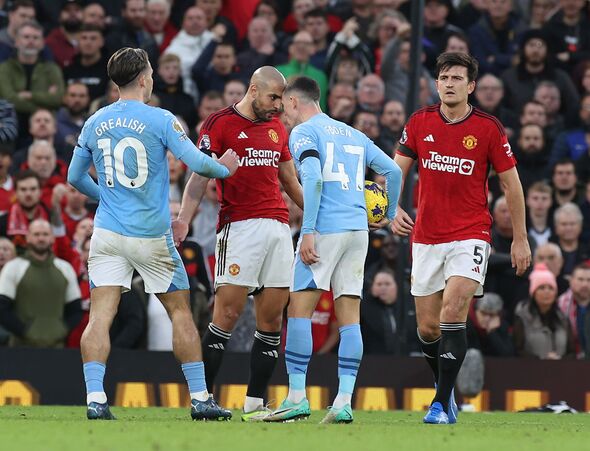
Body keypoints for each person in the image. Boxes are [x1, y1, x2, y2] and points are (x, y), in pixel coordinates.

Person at [67, 47, 238, 421]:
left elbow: (74, 177)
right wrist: (224, 168)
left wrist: (107, 199)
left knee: (101, 315)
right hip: (152, 237)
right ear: (145, 77)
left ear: (115, 81)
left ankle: (95, 398)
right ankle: (199, 398)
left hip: (108, 234)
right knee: (180, 311)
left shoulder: (95, 121)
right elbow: (195, 162)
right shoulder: (162, 119)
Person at [392, 52, 531, 425]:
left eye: (457, 78)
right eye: (444, 77)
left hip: (471, 234)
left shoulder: (488, 128)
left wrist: (520, 239)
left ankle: (438, 405)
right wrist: (391, 208)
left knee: (453, 310)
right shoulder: (419, 122)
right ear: (436, 83)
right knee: (427, 327)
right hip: (426, 236)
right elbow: (396, 168)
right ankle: (447, 390)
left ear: (471, 86)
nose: (449, 83)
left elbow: (511, 184)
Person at [264, 76, 402, 424]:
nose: (282, 113)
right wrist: (386, 213)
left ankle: (297, 396)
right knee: (349, 317)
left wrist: (307, 231)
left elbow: (313, 179)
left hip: (325, 229)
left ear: (295, 102)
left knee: (299, 311)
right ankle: (343, 402)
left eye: (284, 106)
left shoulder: (304, 133)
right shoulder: (354, 134)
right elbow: (392, 171)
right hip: (358, 232)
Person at [174, 66, 303, 422]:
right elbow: (200, 176)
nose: (278, 105)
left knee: (273, 320)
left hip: (278, 227)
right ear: (253, 89)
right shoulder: (219, 123)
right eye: (273, 97)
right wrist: (184, 217)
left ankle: (255, 404)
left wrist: (319, 216)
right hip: (239, 227)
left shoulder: (277, 128)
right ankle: (204, 398)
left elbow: (289, 180)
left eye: (281, 98)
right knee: (226, 316)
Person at [513, 262, 575, 359]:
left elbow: (571, 352)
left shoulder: (562, 319)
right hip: (531, 371)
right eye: (541, 288)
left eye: (551, 288)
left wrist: (560, 359)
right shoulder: (522, 317)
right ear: (533, 293)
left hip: (561, 370)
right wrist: (542, 360)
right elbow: (517, 350)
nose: (547, 292)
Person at [558, 261, 590, 358]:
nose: (585, 284)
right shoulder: (559, 305)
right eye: (580, 279)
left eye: (589, 280)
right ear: (571, 281)